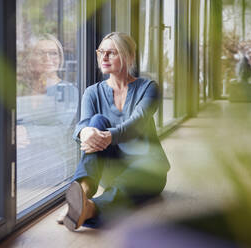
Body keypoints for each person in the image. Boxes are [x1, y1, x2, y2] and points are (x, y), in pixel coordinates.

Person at [60, 32, 170, 231]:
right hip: (111, 169)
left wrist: (107, 136)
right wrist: (85, 133)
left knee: (123, 187)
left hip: (148, 169)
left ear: (129, 57)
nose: (104, 57)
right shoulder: (92, 92)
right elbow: (82, 125)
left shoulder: (149, 88)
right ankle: (83, 194)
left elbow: (136, 124)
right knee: (95, 121)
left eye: (112, 53)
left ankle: (87, 209)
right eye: (101, 52)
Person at [17, 34, 79, 187]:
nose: (47, 57)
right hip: (22, 154)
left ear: (60, 58)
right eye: (40, 53)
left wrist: (26, 131)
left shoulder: (68, 90)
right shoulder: (23, 90)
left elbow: (59, 129)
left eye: (53, 53)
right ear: (31, 58)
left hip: (53, 161)